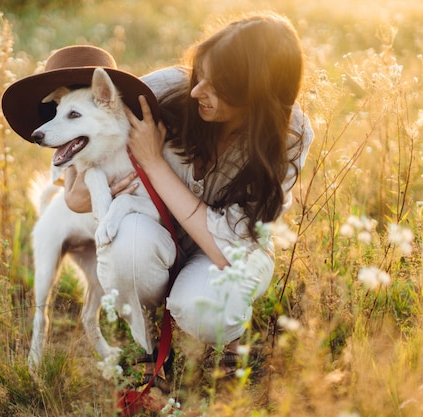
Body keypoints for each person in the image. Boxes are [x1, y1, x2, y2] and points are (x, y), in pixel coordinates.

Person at [65, 11, 313, 390]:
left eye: (217, 88)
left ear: (256, 97)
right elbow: (86, 146)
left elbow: (229, 252)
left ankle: (228, 339)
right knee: (129, 243)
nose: (197, 92)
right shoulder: (163, 90)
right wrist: (81, 183)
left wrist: (152, 162)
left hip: (229, 248)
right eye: (200, 76)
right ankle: (146, 344)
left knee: (203, 306)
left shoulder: (289, 135)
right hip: (151, 227)